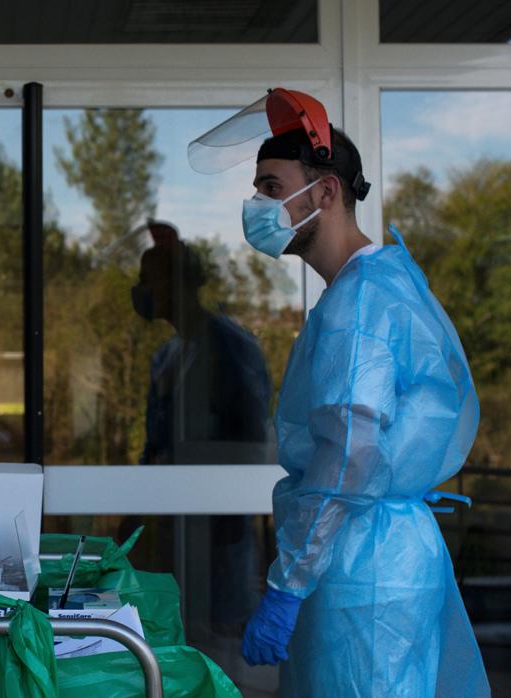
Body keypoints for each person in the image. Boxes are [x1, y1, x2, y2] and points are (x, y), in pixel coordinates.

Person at [191, 88, 489, 695]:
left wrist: (288, 583)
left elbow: (349, 450)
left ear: (325, 192)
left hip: (363, 573)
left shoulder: (359, 303)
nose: (257, 205)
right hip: (379, 556)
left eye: (272, 188)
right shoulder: (377, 283)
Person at [130, 221, 272, 643]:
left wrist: (226, 524)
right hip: (175, 526)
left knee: (215, 644)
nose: (140, 289)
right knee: (177, 636)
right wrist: (134, 512)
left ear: (179, 282)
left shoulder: (229, 349)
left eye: (147, 279)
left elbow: (249, 441)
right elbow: (155, 444)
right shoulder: (168, 356)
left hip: (218, 532)